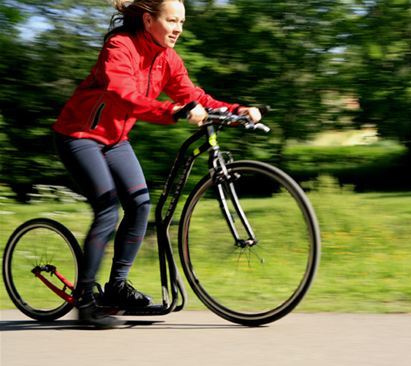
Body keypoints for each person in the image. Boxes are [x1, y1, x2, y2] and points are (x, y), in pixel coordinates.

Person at [52, 0, 261, 328]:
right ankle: (86, 299)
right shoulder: (120, 46)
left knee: (140, 204)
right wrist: (173, 111)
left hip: (116, 140)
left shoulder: (168, 59)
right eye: (172, 20)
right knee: (108, 210)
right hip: (80, 135)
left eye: (182, 21)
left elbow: (195, 96)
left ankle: (116, 289)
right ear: (149, 20)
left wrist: (237, 110)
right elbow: (121, 94)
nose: (178, 28)